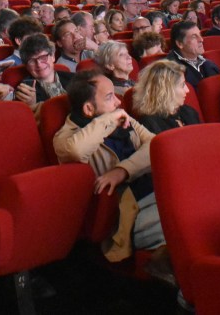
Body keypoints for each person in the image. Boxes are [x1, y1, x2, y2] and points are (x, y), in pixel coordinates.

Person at [53, 69, 172, 282]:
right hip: (127, 213)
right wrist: (109, 119)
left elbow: (155, 144)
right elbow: (76, 152)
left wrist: (123, 170)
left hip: (155, 192)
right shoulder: (67, 137)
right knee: (182, 224)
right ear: (89, 109)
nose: (118, 102)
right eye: (109, 97)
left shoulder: (122, 119)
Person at [133, 59, 200, 135]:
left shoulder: (189, 112)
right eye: (182, 85)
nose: (187, 90)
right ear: (166, 91)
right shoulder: (150, 123)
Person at [14, 33, 72, 108]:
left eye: (43, 57)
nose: (39, 64)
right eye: (32, 61)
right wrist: (32, 105)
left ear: (53, 56)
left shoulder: (72, 78)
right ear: (26, 66)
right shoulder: (25, 90)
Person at [165, 21, 219, 88]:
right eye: (194, 37)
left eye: (200, 35)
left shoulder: (209, 64)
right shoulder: (169, 70)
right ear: (180, 44)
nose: (201, 39)